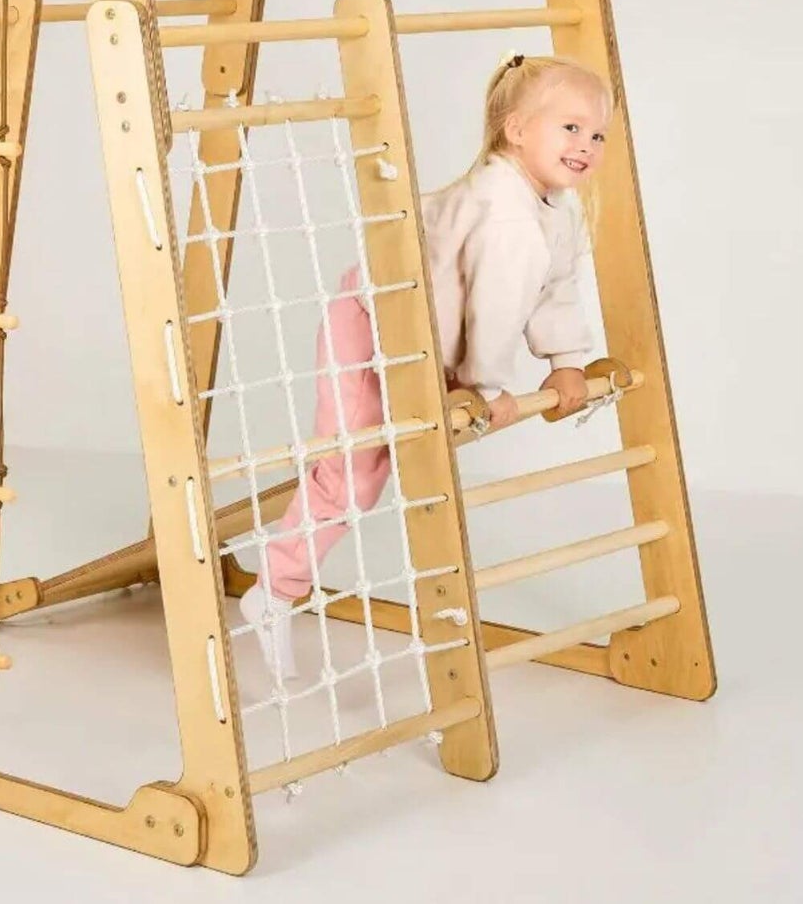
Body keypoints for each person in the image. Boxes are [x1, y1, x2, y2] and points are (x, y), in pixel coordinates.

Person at [241, 53, 613, 679]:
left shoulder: (556, 208)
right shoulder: (506, 211)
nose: (585, 146)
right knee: (354, 473)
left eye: (597, 134)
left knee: (374, 470)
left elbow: (554, 288)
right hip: (371, 325)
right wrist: (482, 388)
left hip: (425, 342)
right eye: (570, 128)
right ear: (517, 130)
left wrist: (568, 361)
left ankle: (285, 571)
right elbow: (495, 307)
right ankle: (274, 594)